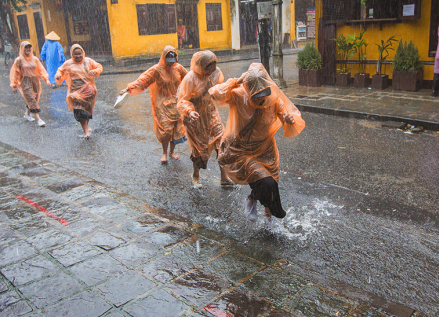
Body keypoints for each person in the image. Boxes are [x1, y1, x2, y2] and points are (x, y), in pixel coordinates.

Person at [209, 63, 305, 221]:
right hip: (243, 151)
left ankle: (268, 216)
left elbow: (286, 115)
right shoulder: (239, 95)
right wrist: (236, 81)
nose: (261, 97)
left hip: (267, 150)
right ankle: (257, 202)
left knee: (270, 184)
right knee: (266, 183)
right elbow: (215, 94)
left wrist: (289, 118)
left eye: (264, 92)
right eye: (256, 93)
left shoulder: (273, 98)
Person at [120, 46, 188, 163]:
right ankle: (164, 153)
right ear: (163, 58)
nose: (171, 64)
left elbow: (189, 78)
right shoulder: (157, 70)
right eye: (168, 62)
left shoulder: (179, 68)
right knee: (165, 130)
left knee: (176, 130)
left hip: (176, 103)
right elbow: (143, 80)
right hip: (162, 104)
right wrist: (128, 88)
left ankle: (172, 152)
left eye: (173, 62)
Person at [176, 50, 232, 188]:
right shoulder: (190, 78)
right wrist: (189, 112)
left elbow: (218, 88)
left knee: (221, 144)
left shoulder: (216, 73)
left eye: (213, 66)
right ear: (200, 65)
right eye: (208, 67)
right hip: (196, 118)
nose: (211, 71)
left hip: (212, 114)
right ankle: (195, 175)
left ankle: (224, 177)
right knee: (199, 149)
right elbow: (182, 100)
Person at [55, 44, 103, 138]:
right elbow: (60, 70)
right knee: (79, 110)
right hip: (75, 90)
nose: (78, 56)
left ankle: (86, 126)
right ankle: (86, 131)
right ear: (72, 54)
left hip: (88, 89)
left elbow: (99, 66)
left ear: (83, 53)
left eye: (79, 54)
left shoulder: (88, 61)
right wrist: (58, 75)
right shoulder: (68, 63)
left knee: (87, 109)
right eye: (75, 54)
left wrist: (96, 71)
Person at [10, 41, 49, 127]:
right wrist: (14, 85)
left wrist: (46, 79)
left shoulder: (34, 59)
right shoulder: (19, 60)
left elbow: (41, 69)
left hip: (35, 80)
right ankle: (38, 119)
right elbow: (15, 72)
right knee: (31, 99)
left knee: (35, 98)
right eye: (25, 48)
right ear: (22, 49)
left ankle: (27, 114)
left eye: (29, 48)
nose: (27, 49)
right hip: (25, 81)